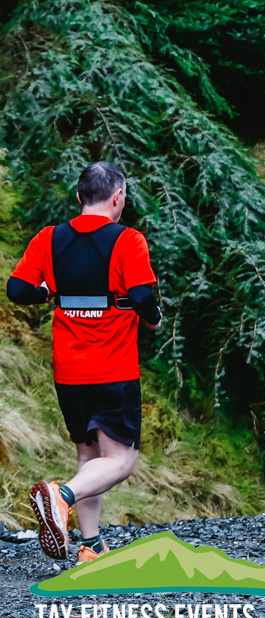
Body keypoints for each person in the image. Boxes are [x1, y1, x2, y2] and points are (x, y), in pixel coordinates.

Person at [6, 161, 162, 564]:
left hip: (69, 371)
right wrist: (154, 318)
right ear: (118, 197)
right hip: (113, 369)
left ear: (79, 197)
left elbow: (17, 289)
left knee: (89, 456)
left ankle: (91, 547)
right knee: (121, 461)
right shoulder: (128, 240)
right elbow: (142, 297)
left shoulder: (49, 238)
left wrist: (46, 294)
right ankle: (62, 496)